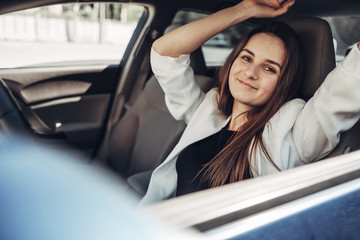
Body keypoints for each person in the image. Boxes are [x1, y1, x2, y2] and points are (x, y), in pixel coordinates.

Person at [139, 0, 360, 206]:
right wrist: (243, 9)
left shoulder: (295, 132)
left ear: (285, 82)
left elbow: (347, 82)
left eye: (269, 68)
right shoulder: (207, 109)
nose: (250, 73)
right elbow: (165, 53)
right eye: (246, 57)